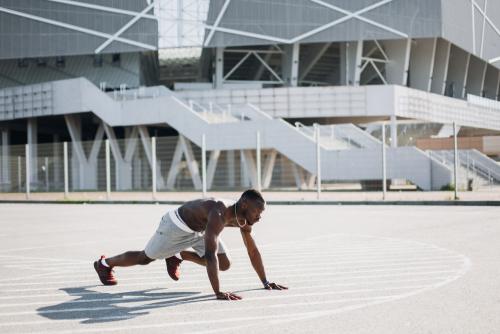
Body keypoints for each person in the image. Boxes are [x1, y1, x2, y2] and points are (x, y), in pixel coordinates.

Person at [94, 189, 287, 300]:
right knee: (144, 258)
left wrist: (265, 281)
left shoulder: (245, 220)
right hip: (175, 226)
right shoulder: (219, 212)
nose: (259, 217)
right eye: (257, 212)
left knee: (225, 263)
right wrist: (218, 292)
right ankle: (104, 264)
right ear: (244, 204)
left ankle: (178, 255)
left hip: (200, 231)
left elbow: (252, 251)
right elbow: (210, 255)